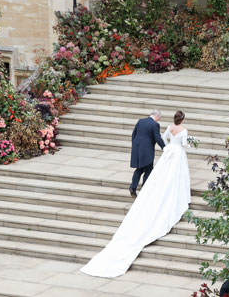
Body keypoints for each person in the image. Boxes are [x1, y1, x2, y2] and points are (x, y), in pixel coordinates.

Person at [81, 110, 192, 278]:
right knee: (159, 173)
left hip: (147, 150)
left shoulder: (147, 123)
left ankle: (135, 186)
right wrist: (182, 145)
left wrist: (166, 148)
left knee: (143, 170)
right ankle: (144, 187)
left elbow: (156, 136)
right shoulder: (181, 130)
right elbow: (176, 142)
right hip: (172, 153)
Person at [129, 109, 165, 197]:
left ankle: (133, 187)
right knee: (148, 169)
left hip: (137, 148)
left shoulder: (140, 121)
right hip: (147, 150)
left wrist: (135, 145)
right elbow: (157, 138)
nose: (158, 120)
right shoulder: (155, 124)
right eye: (159, 118)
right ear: (156, 116)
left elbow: (134, 134)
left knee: (139, 168)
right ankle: (144, 189)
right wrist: (164, 147)